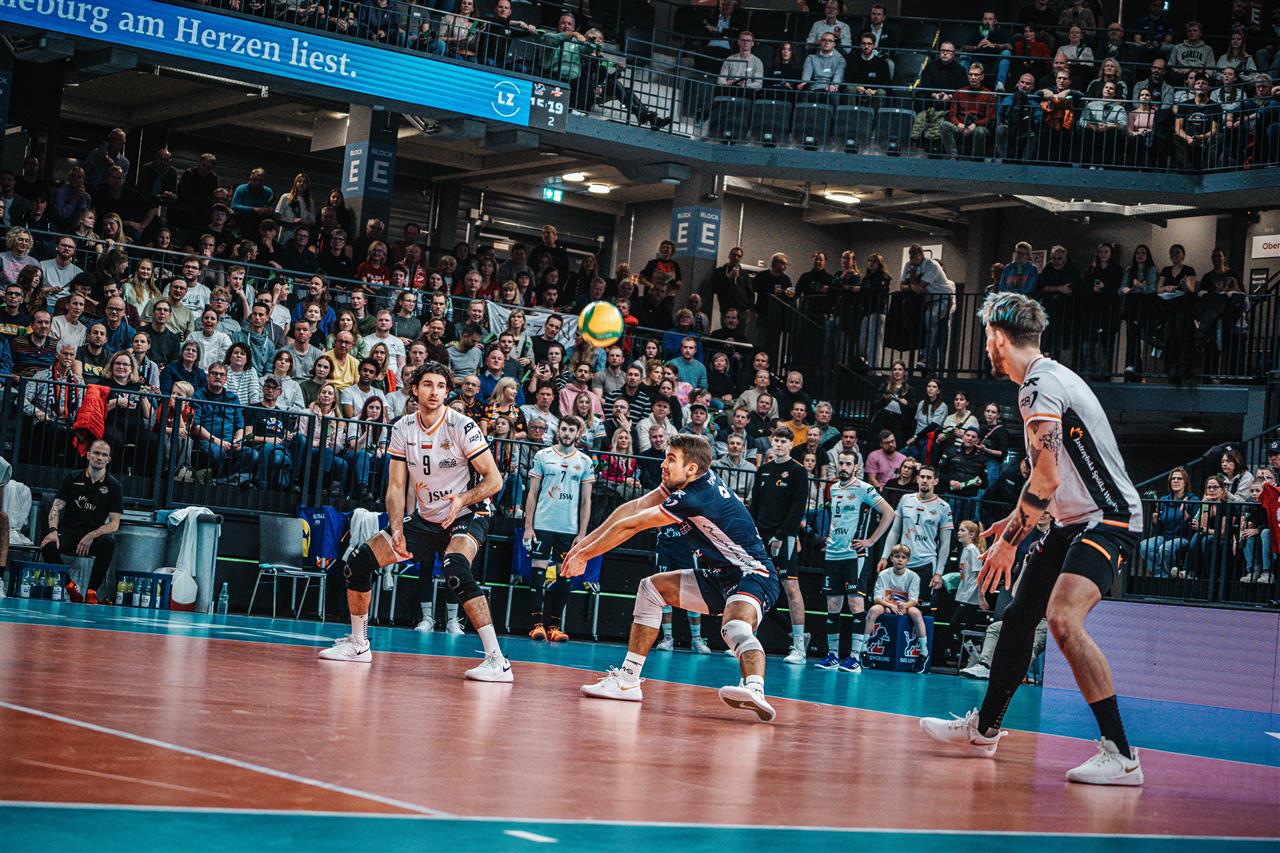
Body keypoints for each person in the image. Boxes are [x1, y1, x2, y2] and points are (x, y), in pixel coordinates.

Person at [920, 292, 1146, 786]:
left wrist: (1009, 543)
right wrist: (1015, 520)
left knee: (1061, 619)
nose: (987, 347)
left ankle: (1121, 754)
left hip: (1109, 520)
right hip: (1072, 521)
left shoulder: (1037, 387)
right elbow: (1059, 477)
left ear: (998, 338)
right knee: (1019, 618)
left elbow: (1045, 477)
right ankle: (985, 730)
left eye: (986, 338)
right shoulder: (1050, 378)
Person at [318, 361, 513, 682]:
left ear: (447, 392)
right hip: (426, 517)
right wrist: (396, 527)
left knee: (455, 568)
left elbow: (494, 480)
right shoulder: (403, 428)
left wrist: (462, 499)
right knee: (357, 563)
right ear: (415, 389)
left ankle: (497, 661)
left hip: (468, 513)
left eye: (441, 386)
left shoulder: (462, 426)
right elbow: (396, 487)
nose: (434, 391)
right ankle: (358, 644)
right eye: (428, 385)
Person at [566, 435, 783, 722]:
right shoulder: (687, 483)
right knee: (651, 589)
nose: (663, 465)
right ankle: (628, 680)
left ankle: (754, 689)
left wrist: (585, 556)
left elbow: (632, 525)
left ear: (691, 468)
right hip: (719, 576)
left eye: (671, 459)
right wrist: (581, 546)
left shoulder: (694, 497)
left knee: (734, 628)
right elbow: (632, 508)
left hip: (753, 575)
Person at [815, 450, 895, 671]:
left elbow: (889, 513)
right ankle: (832, 656)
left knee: (855, 603)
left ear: (855, 467)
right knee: (833, 605)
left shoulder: (864, 488)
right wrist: (829, 537)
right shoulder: (833, 488)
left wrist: (871, 540)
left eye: (848, 464)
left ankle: (855, 658)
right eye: (841, 463)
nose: (843, 467)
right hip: (833, 553)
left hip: (855, 555)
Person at [522, 416, 595, 642]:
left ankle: (554, 626)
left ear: (577, 433)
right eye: (564, 429)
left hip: (569, 528)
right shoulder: (543, 455)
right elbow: (532, 493)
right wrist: (528, 527)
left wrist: (582, 534)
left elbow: (586, 501)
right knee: (538, 574)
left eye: (571, 430)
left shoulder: (584, 461)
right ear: (558, 431)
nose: (567, 433)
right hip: (543, 524)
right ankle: (536, 625)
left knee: (565, 577)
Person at [753, 427, 810, 665]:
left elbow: (798, 508)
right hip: (760, 536)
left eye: (783, 441)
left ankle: (799, 646)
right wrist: (753, 535)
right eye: (775, 440)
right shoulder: (763, 470)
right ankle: (749, 642)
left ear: (791, 444)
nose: (778, 444)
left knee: (791, 587)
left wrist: (781, 535)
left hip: (784, 537)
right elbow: (756, 506)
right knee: (756, 587)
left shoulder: (798, 471)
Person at [40, 439, 122, 603]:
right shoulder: (72, 478)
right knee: (48, 545)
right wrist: (53, 532)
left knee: (108, 543)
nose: (99, 457)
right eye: (96, 453)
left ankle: (92, 591)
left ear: (108, 459)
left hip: (93, 538)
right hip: (69, 533)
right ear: (88, 455)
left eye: (104, 455)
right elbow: (56, 508)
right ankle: (69, 586)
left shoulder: (114, 486)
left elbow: (114, 524)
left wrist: (91, 535)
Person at [863, 544, 930, 673]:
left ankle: (923, 653)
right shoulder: (884, 574)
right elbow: (877, 598)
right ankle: (863, 650)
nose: (900, 559)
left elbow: (914, 600)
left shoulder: (914, 577)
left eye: (903, 557)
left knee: (916, 613)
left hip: (905, 607)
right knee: (873, 610)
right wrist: (889, 605)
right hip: (886, 605)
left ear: (907, 560)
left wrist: (904, 606)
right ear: (891, 558)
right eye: (897, 556)